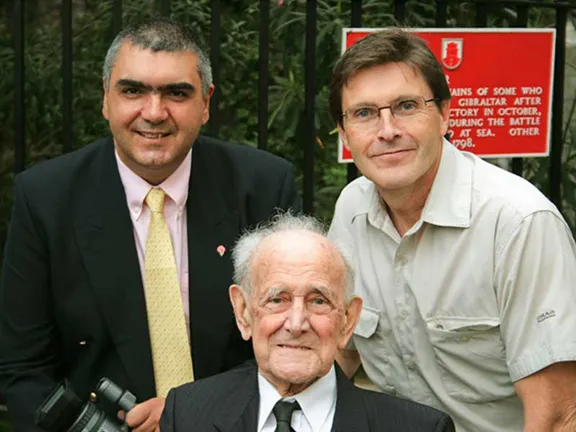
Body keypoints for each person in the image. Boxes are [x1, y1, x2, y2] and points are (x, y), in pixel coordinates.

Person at [0, 17, 300, 432]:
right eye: (133, 90)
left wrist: (197, 411)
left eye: (177, 93)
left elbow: (293, 343)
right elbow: (23, 368)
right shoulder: (46, 199)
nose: (154, 113)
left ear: (207, 102)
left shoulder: (262, 188)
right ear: (106, 98)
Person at [327, 28, 576, 432]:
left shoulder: (519, 223)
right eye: (364, 113)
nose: (387, 130)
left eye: (406, 106)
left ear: (444, 114)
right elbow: (337, 353)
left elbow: (557, 417)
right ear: (344, 132)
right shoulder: (353, 208)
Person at [160, 213, 455, 432]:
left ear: (347, 321)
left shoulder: (419, 428)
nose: (297, 323)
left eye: (318, 301)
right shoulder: (187, 415)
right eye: (277, 299)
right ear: (243, 312)